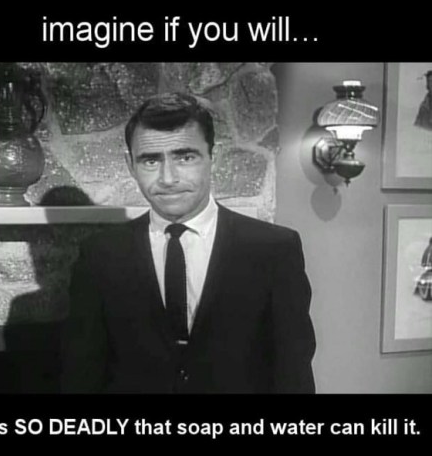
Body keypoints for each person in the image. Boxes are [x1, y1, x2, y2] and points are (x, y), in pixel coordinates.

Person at [60, 92, 316, 393]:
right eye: (150, 160)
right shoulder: (100, 254)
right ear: (131, 166)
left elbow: (293, 373)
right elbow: (82, 374)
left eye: (185, 157)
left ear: (212, 157)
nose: (168, 178)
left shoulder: (273, 249)